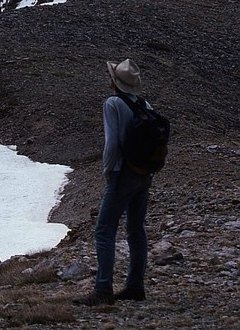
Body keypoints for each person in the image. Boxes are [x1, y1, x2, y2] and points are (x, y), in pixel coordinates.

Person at [73, 58, 153, 306]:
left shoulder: (113, 103)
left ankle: (103, 289)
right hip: (144, 173)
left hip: (123, 174)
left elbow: (111, 143)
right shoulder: (143, 103)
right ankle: (135, 286)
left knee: (104, 229)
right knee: (136, 228)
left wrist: (108, 170)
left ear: (114, 81)